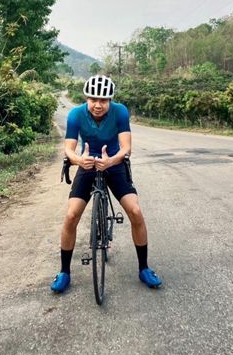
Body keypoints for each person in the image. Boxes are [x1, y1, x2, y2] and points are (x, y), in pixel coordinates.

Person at [51, 74, 162, 293]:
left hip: (114, 162)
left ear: (110, 100)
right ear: (86, 98)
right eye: (93, 99)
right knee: (71, 215)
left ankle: (144, 268)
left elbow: (126, 148)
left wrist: (111, 161)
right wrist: (79, 160)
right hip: (87, 163)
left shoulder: (120, 112)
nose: (98, 105)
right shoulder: (76, 114)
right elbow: (69, 149)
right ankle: (64, 272)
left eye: (103, 100)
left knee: (135, 211)